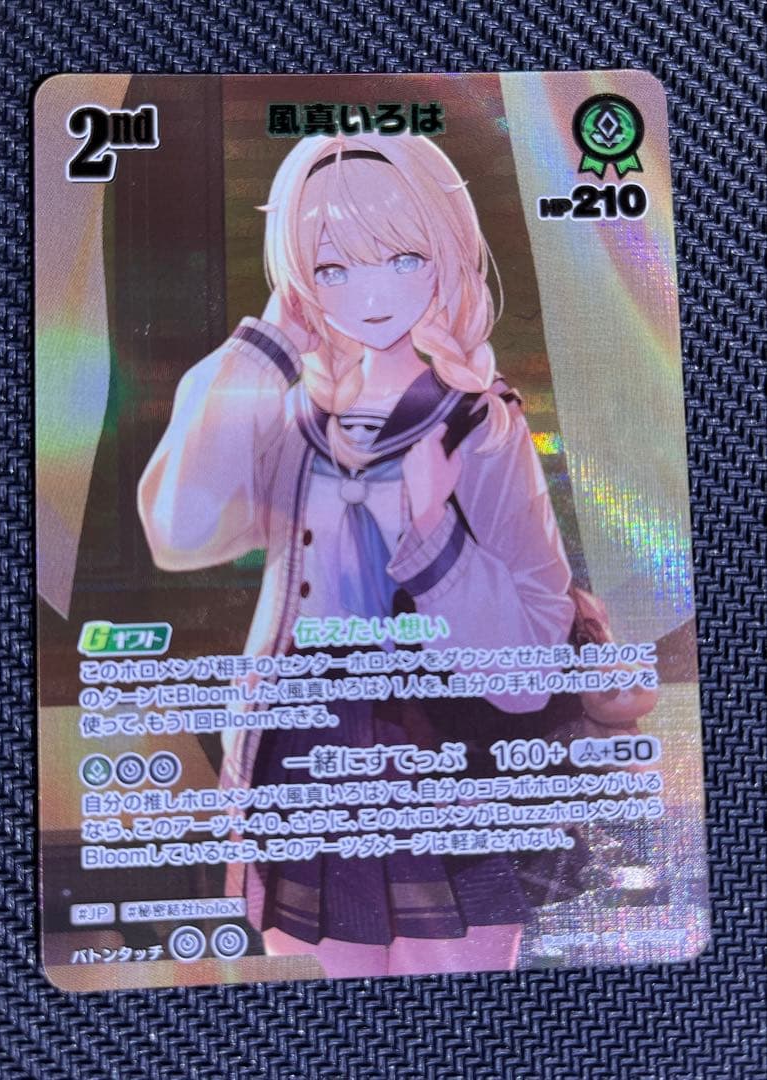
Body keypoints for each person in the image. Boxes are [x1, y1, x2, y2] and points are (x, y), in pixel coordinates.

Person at [138, 129, 585, 978]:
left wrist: (432, 530)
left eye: (403, 257)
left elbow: (528, 673)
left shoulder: (482, 422)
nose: (370, 292)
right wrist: (266, 346)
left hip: (441, 756)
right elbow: (180, 532)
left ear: (447, 253)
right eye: (331, 267)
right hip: (297, 751)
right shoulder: (285, 409)